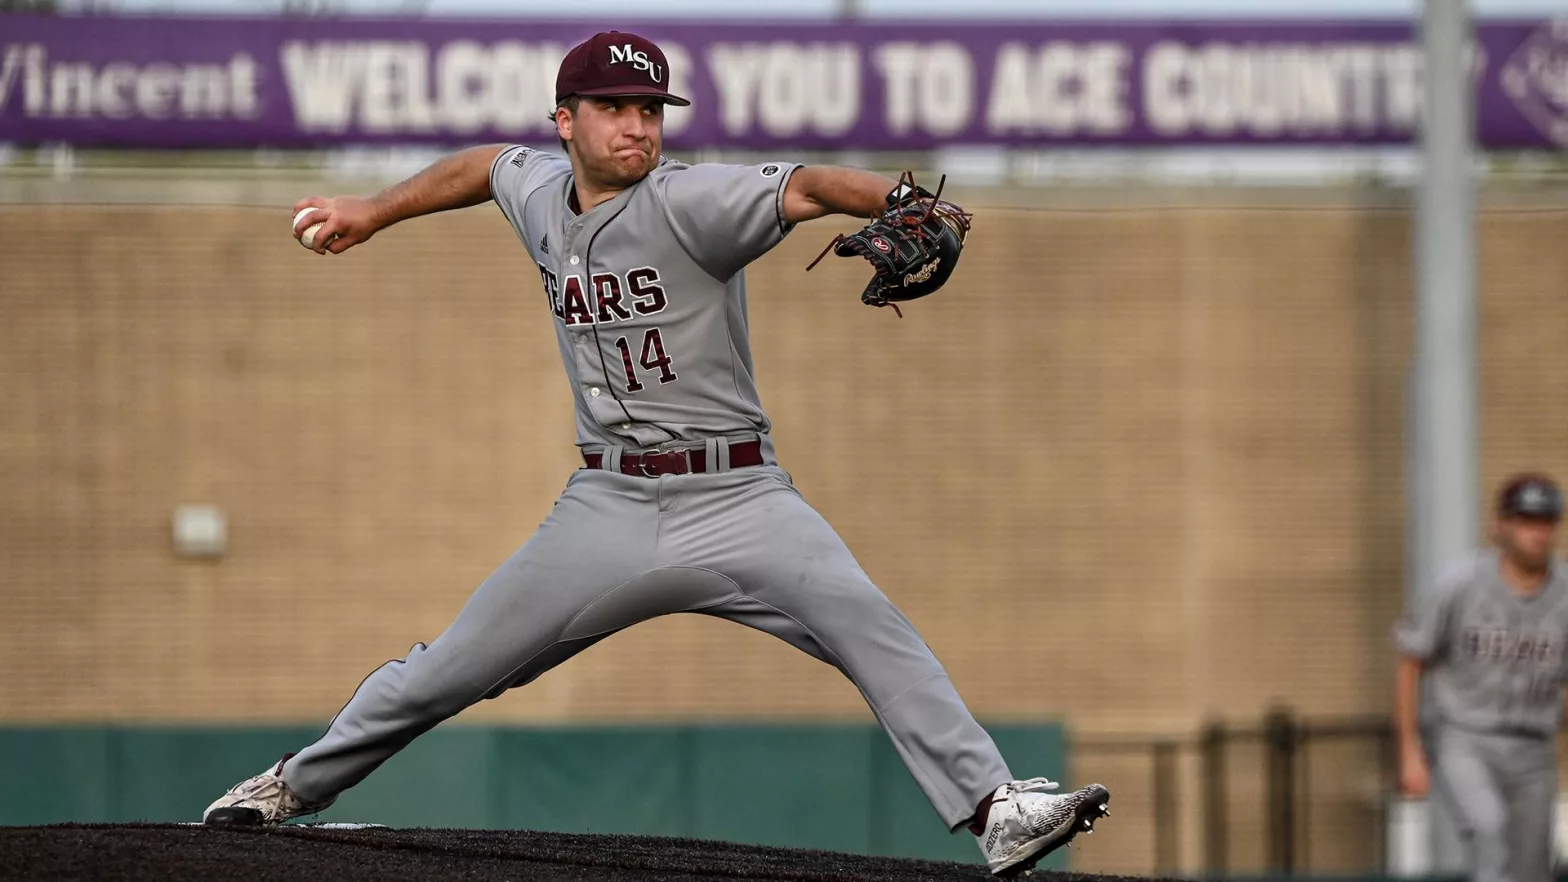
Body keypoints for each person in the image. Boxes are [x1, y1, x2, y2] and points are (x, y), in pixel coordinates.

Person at [200, 29, 1110, 876]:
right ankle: (291, 786)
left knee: (870, 627)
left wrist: (900, 201)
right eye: (614, 109)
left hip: (742, 498)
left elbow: (806, 187)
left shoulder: (690, 203)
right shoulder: (537, 192)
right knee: (449, 669)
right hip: (607, 510)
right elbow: (483, 167)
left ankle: (997, 809)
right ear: (566, 122)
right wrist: (374, 209)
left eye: (650, 110)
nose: (638, 126)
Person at [1394, 473, 1568, 882]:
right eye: (1526, 520)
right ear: (1500, 524)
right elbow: (1410, 661)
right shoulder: (1461, 583)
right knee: (1490, 835)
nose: (1537, 533)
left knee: (1532, 868)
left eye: (1545, 522)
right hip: (1465, 736)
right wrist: (1409, 749)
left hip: (1534, 746)